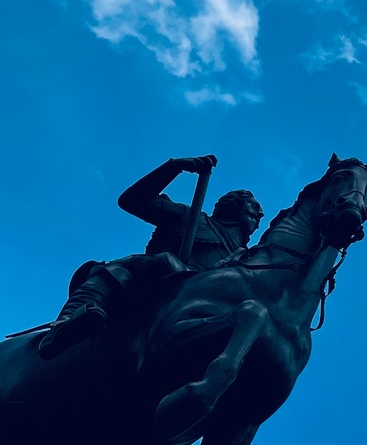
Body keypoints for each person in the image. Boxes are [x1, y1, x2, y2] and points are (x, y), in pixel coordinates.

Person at [36, 155, 264, 361]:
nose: (260, 214)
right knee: (120, 270)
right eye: (254, 206)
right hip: (153, 284)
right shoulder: (190, 216)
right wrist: (173, 167)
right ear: (234, 206)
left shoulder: (242, 258)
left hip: (192, 314)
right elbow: (132, 201)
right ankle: (63, 326)